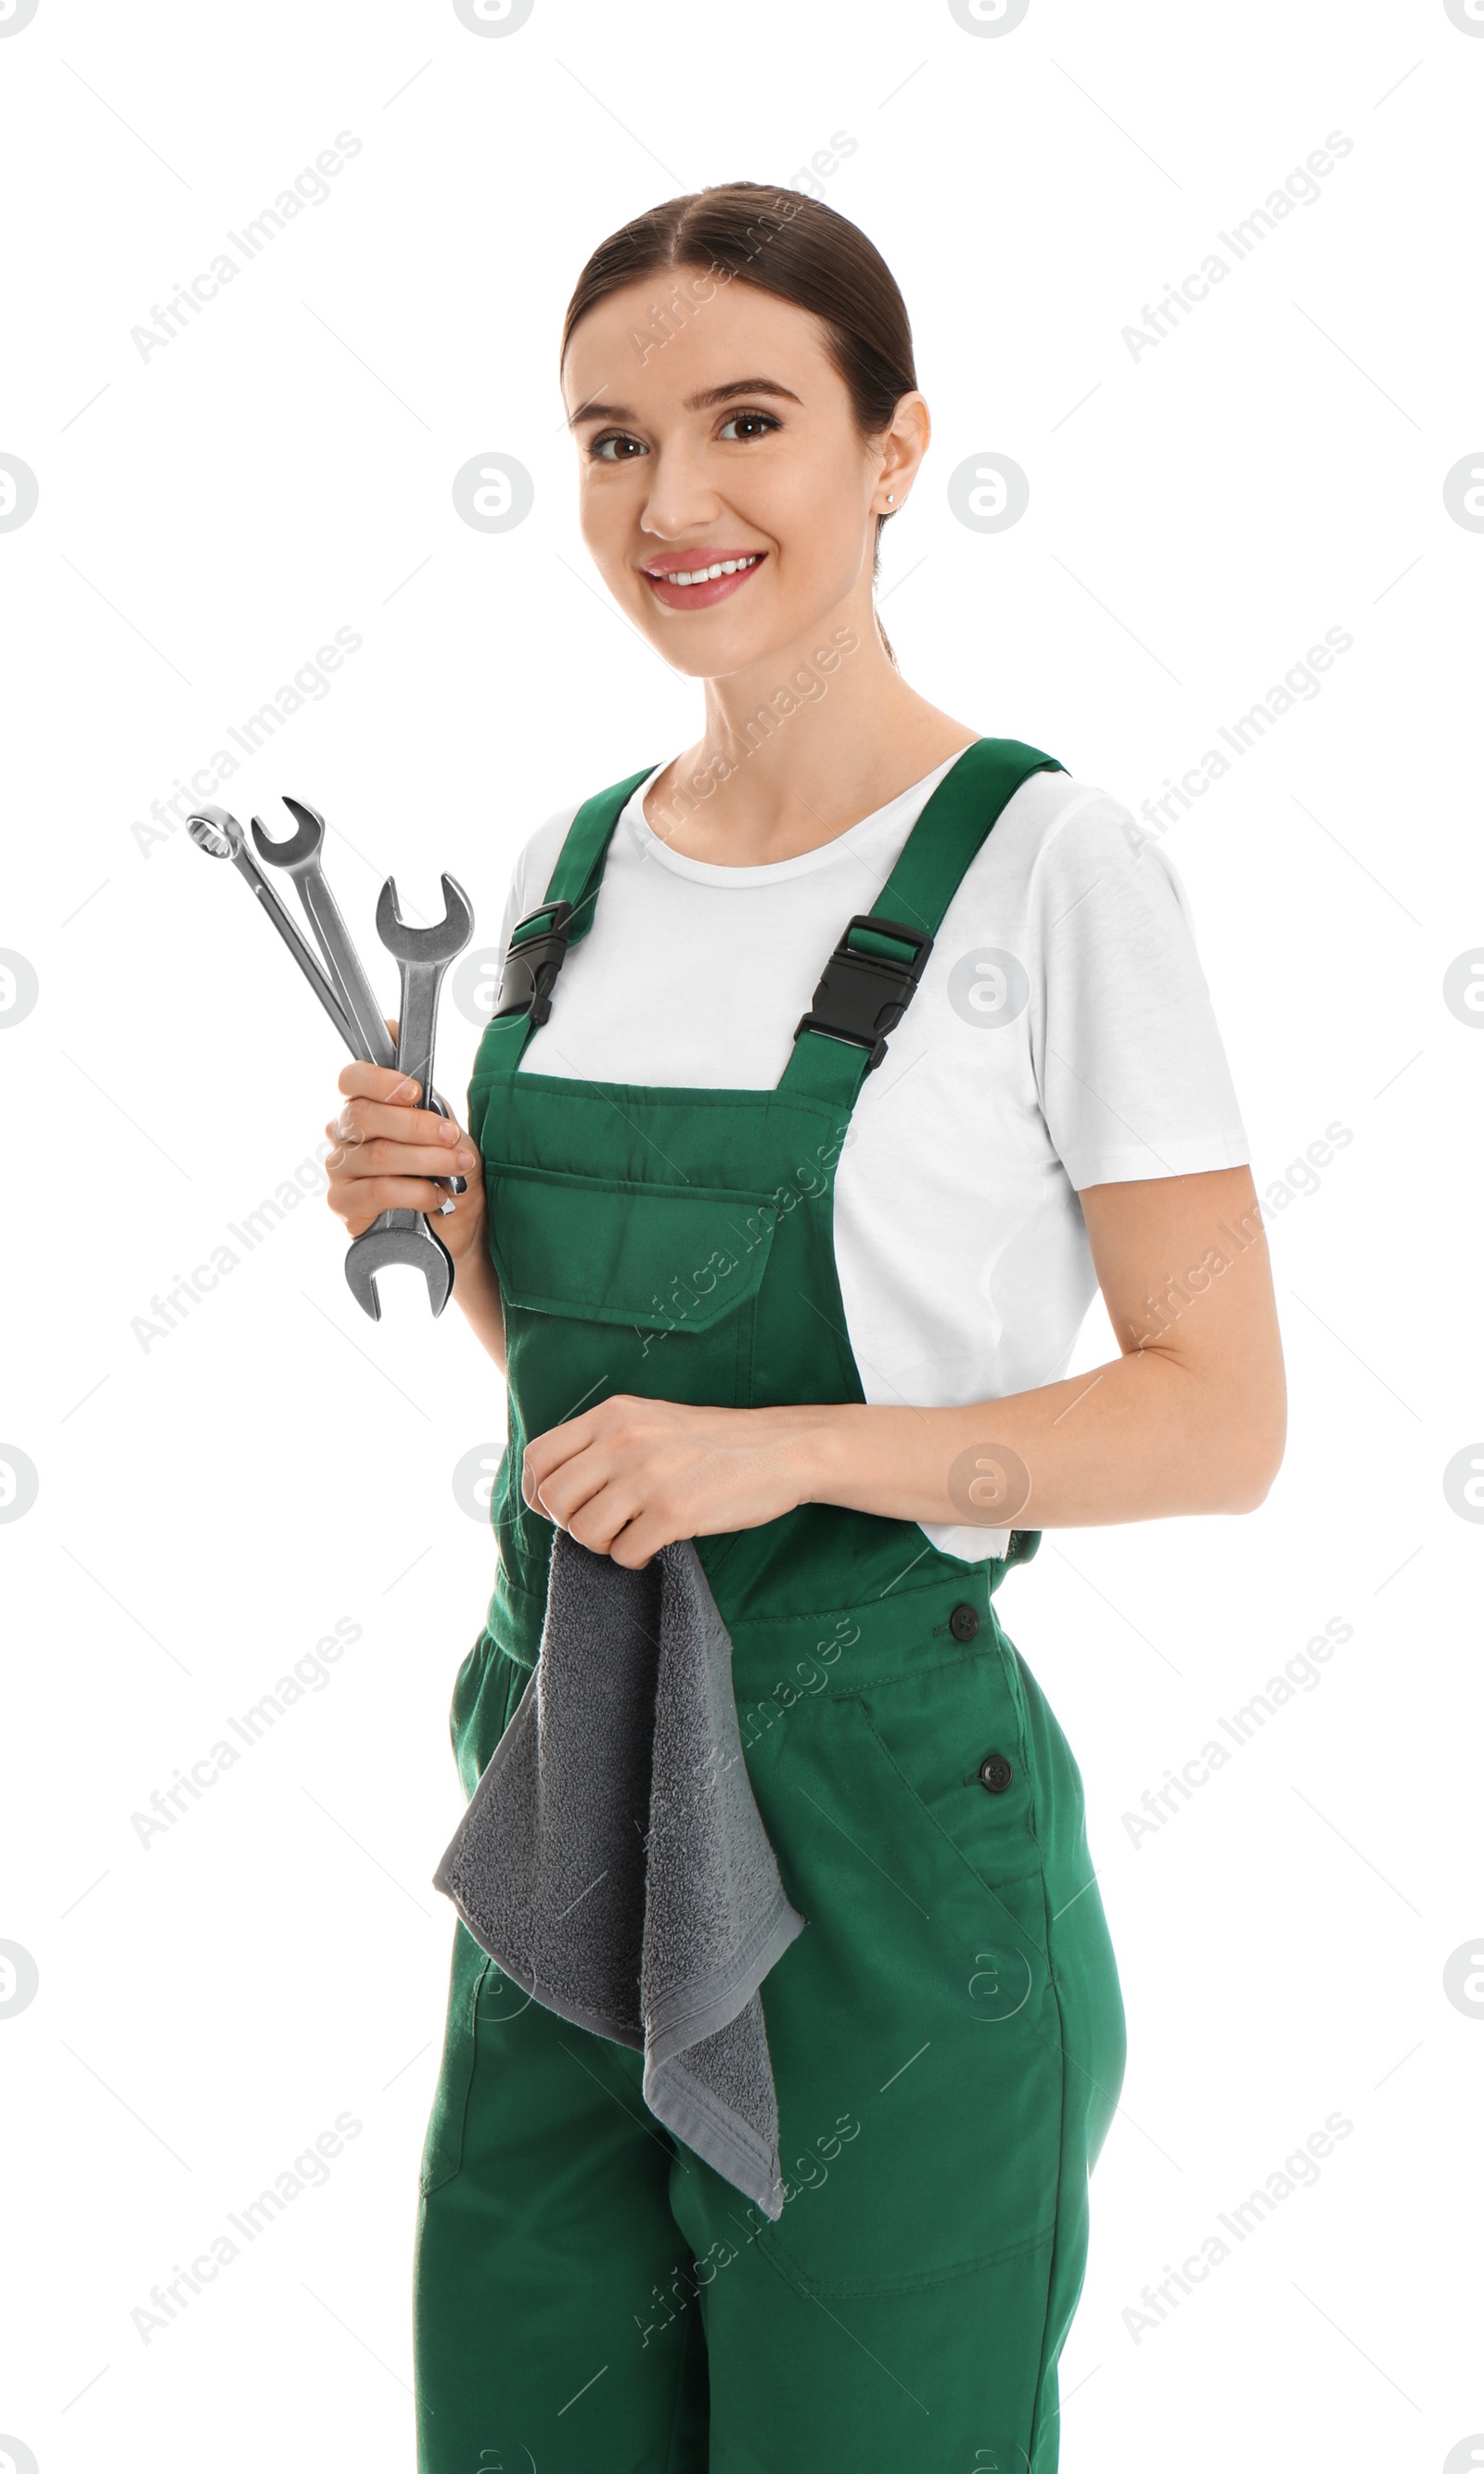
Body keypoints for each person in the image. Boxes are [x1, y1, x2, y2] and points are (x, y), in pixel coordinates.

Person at [324, 182, 1286, 2474]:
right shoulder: (575, 867)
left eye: (746, 419)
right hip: (565, 1791)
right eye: (605, 439)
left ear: (890, 443)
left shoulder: (1047, 868)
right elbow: (599, 1403)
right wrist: (444, 1224)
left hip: (876, 1844)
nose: (671, 501)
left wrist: (790, 1457)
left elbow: (1214, 1418)